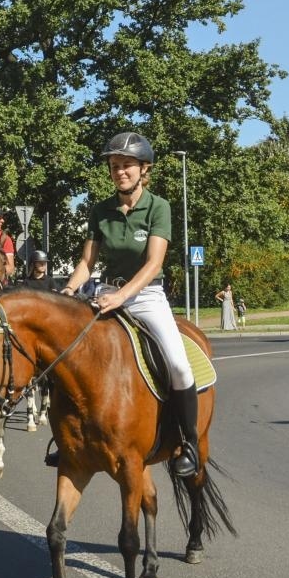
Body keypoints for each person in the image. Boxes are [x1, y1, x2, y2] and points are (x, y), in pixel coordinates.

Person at [58, 131, 202, 478]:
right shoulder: (100, 211)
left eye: (126, 166)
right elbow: (86, 262)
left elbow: (153, 263)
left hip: (147, 296)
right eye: (114, 166)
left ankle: (188, 442)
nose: (120, 171)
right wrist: (68, 290)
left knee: (180, 366)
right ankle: (67, 439)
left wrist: (122, 297)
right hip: (106, 293)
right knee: (67, 353)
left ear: (144, 169)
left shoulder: (159, 207)